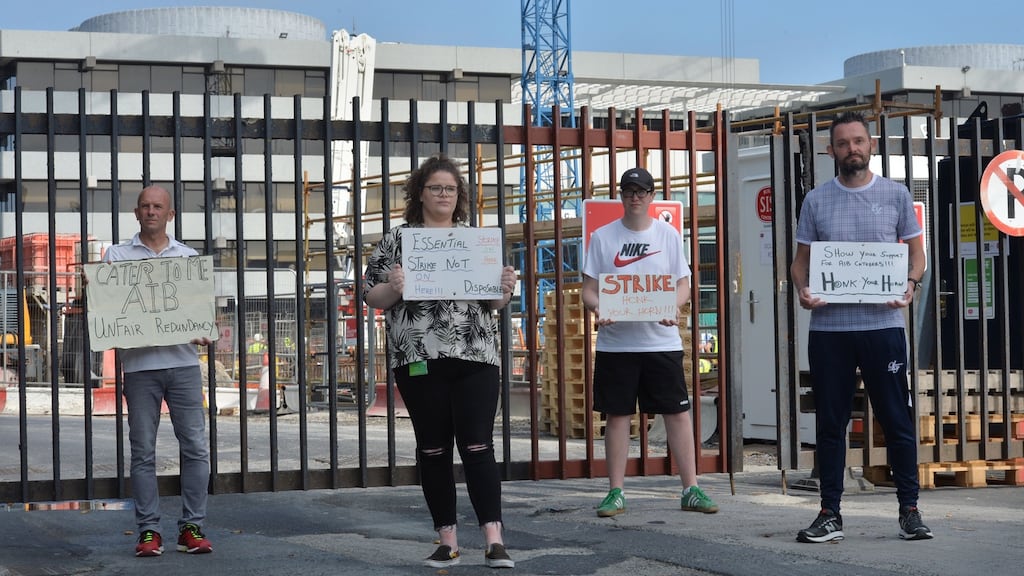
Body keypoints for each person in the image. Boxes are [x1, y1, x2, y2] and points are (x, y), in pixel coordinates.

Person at [363, 153, 518, 569]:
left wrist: (505, 290)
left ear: (459, 194)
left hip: (475, 354)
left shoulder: (475, 239)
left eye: (450, 188)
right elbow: (371, 296)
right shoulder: (397, 239)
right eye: (436, 188)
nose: (444, 194)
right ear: (420, 193)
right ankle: (446, 538)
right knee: (432, 448)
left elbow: (493, 301)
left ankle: (494, 538)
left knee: (478, 445)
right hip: (418, 356)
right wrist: (394, 287)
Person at [789, 111, 931, 543]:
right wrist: (802, 291)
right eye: (843, 143)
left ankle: (909, 510)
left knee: (896, 418)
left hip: (883, 325)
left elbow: (917, 256)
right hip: (829, 329)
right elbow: (800, 264)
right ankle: (830, 512)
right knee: (830, 424)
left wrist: (909, 284)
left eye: (859, 141)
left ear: (871, 146)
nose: (852, 148)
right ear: (831, 150)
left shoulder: (897, 195)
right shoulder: (815, 200)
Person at [581, 166, 719, 518]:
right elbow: (589, 290)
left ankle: (691, 488)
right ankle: (615, 491)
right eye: (628, 191)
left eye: (642, 191)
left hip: (661, 341)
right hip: (617, 345)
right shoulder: (602, 237)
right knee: (617, 416)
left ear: (652, 196)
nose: (635, 197)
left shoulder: (668, 235)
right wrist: (601, 309)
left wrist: (672, 307)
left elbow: (683, 284)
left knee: (677, 413)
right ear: (621, 195)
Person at [104, 185, 214, 557]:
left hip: (183, 364)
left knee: (196, 448)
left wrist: (202, 330)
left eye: (158, 207)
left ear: (170, 214)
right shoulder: (115, 257)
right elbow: (107, 312)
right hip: (139, 368)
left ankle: (192, 527)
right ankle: (148, 531)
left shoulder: (188, 257)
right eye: (145, 206)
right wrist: (97, 294)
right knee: (143, 452)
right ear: (137, 213)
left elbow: (200, 313)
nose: (151, 211)